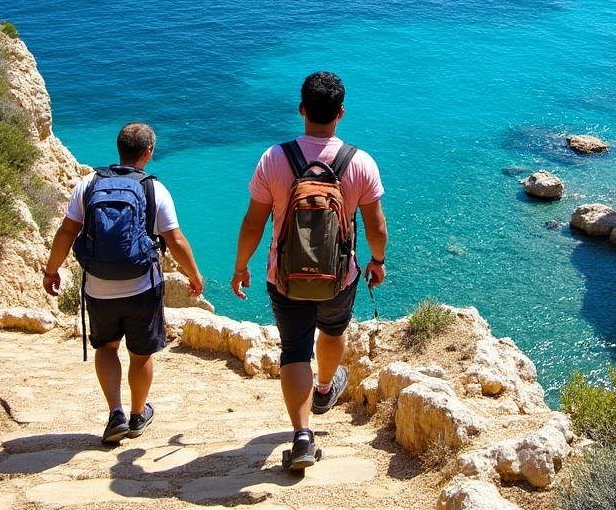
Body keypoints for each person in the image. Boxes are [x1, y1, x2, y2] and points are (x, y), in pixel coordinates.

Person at [231, 71, 388, 469]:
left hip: (283, 278)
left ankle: (301, 437)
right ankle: (322, 389)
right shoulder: (360, 162)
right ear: (341, 113)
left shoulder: (274, 158)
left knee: (294, 350)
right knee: (333, 332)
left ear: (302, 110)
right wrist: (377, 261)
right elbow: (376, 227)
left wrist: (240, 266)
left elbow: (253, 222)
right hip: (339, 278)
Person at [43, 123, 204, 444]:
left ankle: (115, 412)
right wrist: (194, 275)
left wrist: (52, 270)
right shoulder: (153, 188)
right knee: (141, 355)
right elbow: (175, 239)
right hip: (141, 288)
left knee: (106, 348)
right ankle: (136, 413)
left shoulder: (88, 184)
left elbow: (66, 232)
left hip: (97, 287)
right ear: (148, 153)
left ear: (118, 148)